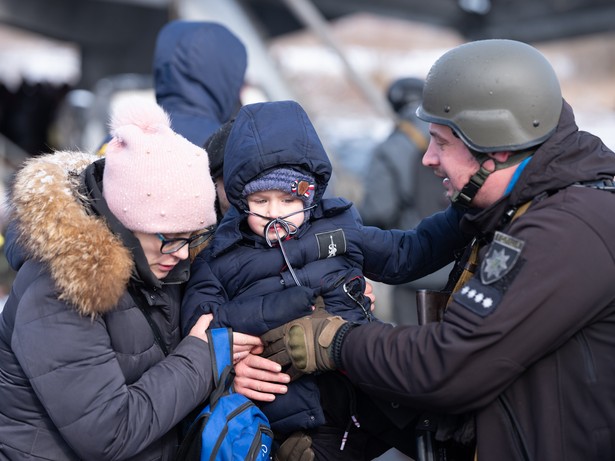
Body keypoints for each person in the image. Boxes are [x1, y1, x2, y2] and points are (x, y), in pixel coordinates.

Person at [254, 39, 615, 460]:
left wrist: (336, 341)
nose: (428, 158)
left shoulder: (567, 228)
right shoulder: (507, 202)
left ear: (496, 147)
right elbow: (412, 250)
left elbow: (450, 365)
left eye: (442, 143)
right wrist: (328, 241)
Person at [181, 100, 471, 460]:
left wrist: (466, 215)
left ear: (311, 193)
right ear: (241, 200)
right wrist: (232, 360)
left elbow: (406, 253)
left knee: (449, 438)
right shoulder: (222, 256)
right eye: (260, 200)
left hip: (371, 386)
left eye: (288, 200)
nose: (274, 213)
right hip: (304, 417)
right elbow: (202, 328)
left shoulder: (340, 227)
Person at [0, 97, 263, 460]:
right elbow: (110, 434)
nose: (184, 253)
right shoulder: (60, 290)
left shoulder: (159, 260)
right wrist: (203, 360)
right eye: (172, 238)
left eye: (194, 237)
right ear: (125, 221)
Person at [359, 77, 449, 325]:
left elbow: (379, 209)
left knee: (415, 350)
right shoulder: (452, 137)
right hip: (460, 264)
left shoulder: (392, 146)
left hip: (415, 270)